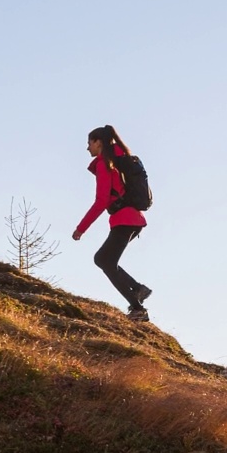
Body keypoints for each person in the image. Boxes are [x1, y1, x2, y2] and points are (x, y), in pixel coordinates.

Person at [71, 125, 153, 322]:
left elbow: (101, 201)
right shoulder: (118, 159)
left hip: (125, 220)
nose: (87, 148)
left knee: (104, 260)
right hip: (132, 219)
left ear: (98, 142)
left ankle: (138, 307)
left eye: (89, 143)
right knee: (104, 259)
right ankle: (138, 291)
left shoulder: (105, 164)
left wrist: (80, 229)